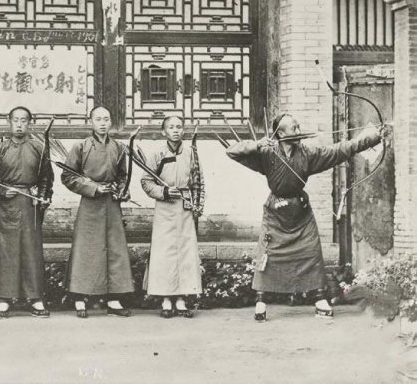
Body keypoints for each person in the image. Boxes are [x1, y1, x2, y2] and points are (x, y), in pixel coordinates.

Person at [226, 113, 385, 321]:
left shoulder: (308, 153)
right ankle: (261, 302)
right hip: (275, 213)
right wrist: (256, 145)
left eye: (298, 126)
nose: (299, 131)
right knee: (268, 254)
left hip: (300, 212)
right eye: (294, 128)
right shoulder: (266, 152)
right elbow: (232, 152)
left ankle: (319, 299)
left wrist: (372, 137)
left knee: (311, 251)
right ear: (280, 133)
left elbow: (341, 150)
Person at [61, 106, 134, 318]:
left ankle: (113, 299)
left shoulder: (119, 148)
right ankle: (80, 298)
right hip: (90, 203)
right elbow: (68, 176)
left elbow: (122, 176)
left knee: (114, 249)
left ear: (111, 122)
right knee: (86, 250)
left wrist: (122, 190)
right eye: (98, 119)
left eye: (106, 119)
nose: (102, 123)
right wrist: (93, 188)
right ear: (91, 122)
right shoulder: (81, 146)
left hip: (111, 202)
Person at [0, 106, 54, 318]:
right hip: (7, 207)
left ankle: (35, 299)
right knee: (5, 253)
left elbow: (46, 178)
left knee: (31, 253)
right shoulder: (0, 149)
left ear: (29, 123)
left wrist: (42, 198)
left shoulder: (38, 148)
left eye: (24, 120)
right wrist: (3, 190)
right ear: (9, 122)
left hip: (30, 207)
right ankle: (4, 299)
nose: (20, 124)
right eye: (16, 120)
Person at [141, 116, 204, 318]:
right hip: (165, 208)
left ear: (183, 131)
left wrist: (198, 205)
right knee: (164, 252)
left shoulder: (190, 153)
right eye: (171, 127)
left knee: (185, 252)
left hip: (185, 208)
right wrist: (165, 192)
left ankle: (182, 298)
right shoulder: (157, 154)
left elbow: (198, 182)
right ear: (163, 132)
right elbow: (146, 182)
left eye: (179, 127)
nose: (175, 130)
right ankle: (166, 298)